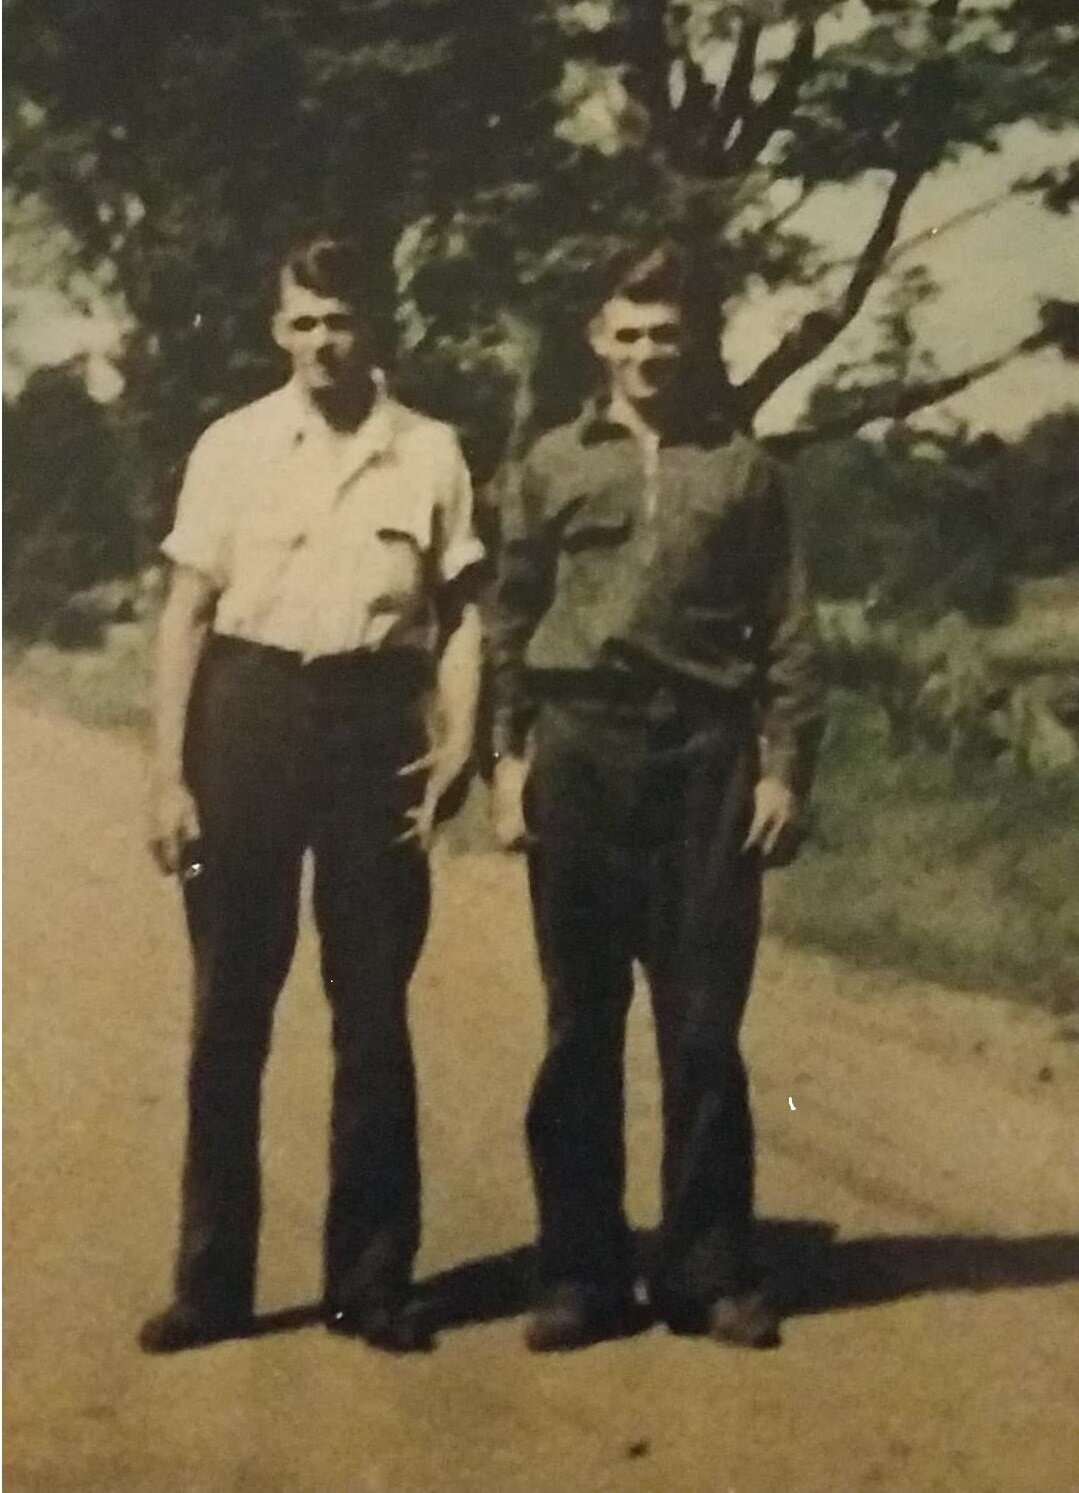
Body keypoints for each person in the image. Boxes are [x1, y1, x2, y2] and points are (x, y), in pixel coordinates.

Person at [140, 236, 484, 1355]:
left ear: (373, 322)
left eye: (339, 320)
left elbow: (462, 610)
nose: (321, 343)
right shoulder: (232, 445)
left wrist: (463, 738)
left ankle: (372, 1281)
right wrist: (166, 772)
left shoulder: (429, 451)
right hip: (246, 717)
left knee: (373, 1006)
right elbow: (186, 613)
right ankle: (212, 1284)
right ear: (275, 327)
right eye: (302, 322)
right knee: (230, 1003)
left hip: (373, 724)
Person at [488, 245, 825, 1352]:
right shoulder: (548, 463)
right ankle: (580, 1271)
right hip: (581, 748)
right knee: (579, 1017)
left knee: (701, 1022)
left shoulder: (742, 469)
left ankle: (707, 1270)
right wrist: (506, 756)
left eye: (663, 335)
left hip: (705, 757)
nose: (644, 354)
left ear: (694, 341)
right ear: (596, 337)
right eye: (625, 333)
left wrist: (782, 766)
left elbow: (786, 628)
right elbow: (509, 616)